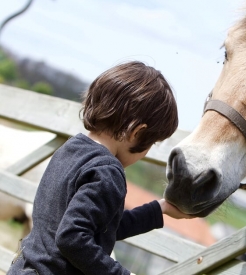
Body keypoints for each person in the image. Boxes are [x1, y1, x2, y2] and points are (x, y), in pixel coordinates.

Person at [7, 61, 192, 275]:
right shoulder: (108, 171)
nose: (147, 151)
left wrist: (159, 209)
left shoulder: (72, 149)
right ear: (137, 132)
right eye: (151, 143)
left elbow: (101, 227)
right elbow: (72, 238)